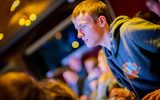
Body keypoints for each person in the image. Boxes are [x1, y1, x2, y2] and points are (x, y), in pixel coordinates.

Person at [71, 0, 160, 99]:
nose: (79, 34)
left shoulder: (129, 31)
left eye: (83, 26)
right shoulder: (109, 55)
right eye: (77, 29)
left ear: (101, 21)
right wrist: (128, 95)